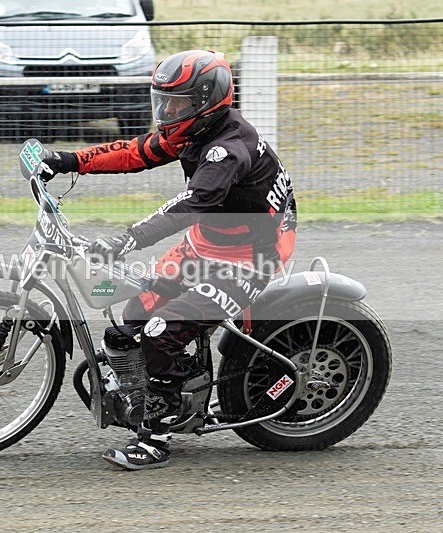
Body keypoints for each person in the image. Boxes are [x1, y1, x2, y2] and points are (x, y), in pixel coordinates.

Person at [40, 49, 297, 470]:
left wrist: (128, 239)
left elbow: (188, 205)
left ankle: (158, 433)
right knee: (136, 314)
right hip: (208, 242)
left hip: (250, 258)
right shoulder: (195, 131)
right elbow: (133, 152)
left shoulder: (227, 150)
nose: (167, 112)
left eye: (178, 104)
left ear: (206, 102)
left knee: (161, 331)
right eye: (164, 102)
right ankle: (178, 380)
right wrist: (70, 161)